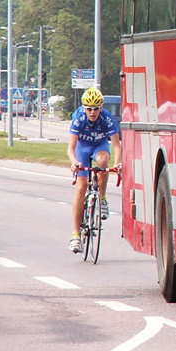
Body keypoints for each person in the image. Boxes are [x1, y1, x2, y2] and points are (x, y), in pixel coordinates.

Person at [67, 87, 122, 253]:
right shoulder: (78, 118)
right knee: (81, 188)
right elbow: (71, 147)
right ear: (84, 108)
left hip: (99, 146)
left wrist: (118, 164)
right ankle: (76, 236)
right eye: (89, 108)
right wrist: (74, 162)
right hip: (82, 149)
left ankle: (102, 198)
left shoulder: (107, 118)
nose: (92, 112)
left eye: (96, 108)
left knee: (103, 162)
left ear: (101, 108)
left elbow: (118, 146)